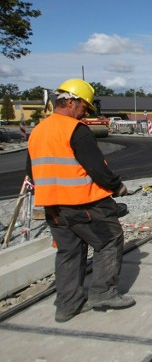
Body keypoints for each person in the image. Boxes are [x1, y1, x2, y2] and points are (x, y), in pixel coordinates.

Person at [26, 79, 135, 323]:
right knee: (109, 240)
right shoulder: (76, 129)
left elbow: (31, 172)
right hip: (83, 203)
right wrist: (117, 186)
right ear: (71, 102)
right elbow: (96, 167)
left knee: (69, 252)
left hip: (53, 206)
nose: (86, 112)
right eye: (84, 106)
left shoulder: (38, 131)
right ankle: (102, 293)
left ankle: (67, 306)